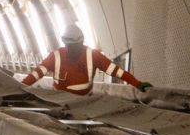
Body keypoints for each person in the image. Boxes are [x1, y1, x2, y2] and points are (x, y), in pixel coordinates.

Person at [21, 24, 152, 95]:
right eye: (72, 46)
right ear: (65, 43)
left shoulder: (93, 55)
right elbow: (37, 73)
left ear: (82, 41)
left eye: (78, 45)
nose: (75, 49)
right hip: (60, 102)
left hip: (84, 103)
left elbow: (116, 71)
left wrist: (137, 83)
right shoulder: (55, 56)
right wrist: (20, 87)